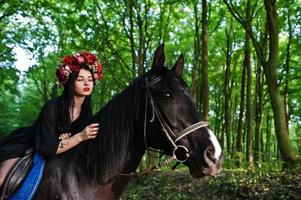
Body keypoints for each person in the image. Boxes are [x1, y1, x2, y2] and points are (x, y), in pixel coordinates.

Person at [0, 51, 103, 188]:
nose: (86, 83)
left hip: (61, 152)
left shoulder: (87, 112)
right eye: (80, 79)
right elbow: (46, 148)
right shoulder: (52, 106)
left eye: (90, 79)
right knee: (2, 179)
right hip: (28, 145)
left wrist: (69, 138)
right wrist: (79, 137)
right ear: (70, 82)